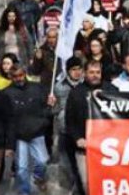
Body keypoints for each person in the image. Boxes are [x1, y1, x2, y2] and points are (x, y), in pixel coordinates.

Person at [65, 60, 117, 194]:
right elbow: (70, 120)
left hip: (108, 149)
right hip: (84, 148)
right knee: (87, 184)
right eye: (92, 72)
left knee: (109, 183)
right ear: (85, 73)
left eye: (98, 72)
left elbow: (119, 117)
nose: (95, 75)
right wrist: (77, 139)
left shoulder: (112, 90)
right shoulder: (76, 93)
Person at [4, 66, 52, 194]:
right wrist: (9, 143)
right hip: (19, 135)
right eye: (15, 76)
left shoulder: (38, 88)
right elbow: (6, 119)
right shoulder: (6, 94)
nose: (19, 78)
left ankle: (38, 176)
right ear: (10, 77)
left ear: (25, 74)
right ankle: (25, 191)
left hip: (37, 131)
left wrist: (45, 117)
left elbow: (47, 108)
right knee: (22, 167)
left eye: (20, 75)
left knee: (43, 161)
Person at [50, 57, 84, 195]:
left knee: (82, 165)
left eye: (79, 69)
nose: (76, 72)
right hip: (64, 130)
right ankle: (71, 188)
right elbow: (54, 111)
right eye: (73, 70)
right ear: (68, 71)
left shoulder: (85, 85)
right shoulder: (59, 87)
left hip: (82, 131)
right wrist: (51, 104)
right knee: (66, 164)